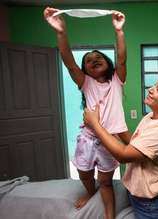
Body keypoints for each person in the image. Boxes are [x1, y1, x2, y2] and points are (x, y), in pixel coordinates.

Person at [44, 7, 129, 219]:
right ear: (86, 71)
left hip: (110, 140)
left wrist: (119, 32)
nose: (93, 59)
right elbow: (70, 63)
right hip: (89, 138)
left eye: (98, 56)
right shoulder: (87, 83)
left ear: (107, 63)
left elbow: (121, 60)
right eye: (88, 60)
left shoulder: (117, 80)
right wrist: (61, 32)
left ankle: (109, 214)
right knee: (84, 174)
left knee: (106, 181)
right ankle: (91, 193)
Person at [83, 72, 158, 219]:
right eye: (154, 85)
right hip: (138, 196)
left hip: (154, 206)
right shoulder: (150, 117)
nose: (151, 89)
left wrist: (95, 125)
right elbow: (136, 145)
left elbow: (124, 155)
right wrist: (113, 123)